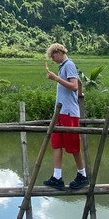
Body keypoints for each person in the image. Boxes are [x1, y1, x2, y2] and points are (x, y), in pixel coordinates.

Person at [43, 43, 88, 191]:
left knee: (73, 145)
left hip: (69, 112)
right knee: (56, 143)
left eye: (53, 56)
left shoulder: (69, 65)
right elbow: (79, 83)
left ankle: (82, 174)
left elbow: (74, 85)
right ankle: (57, 177)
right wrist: (80, 94)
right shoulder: (63, 66)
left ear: (59, 52)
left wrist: (56, 78)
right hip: (60, 112)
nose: (53, 59)